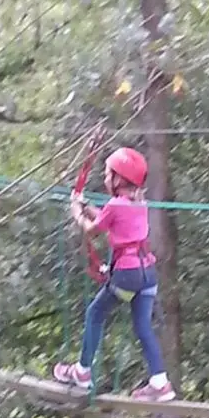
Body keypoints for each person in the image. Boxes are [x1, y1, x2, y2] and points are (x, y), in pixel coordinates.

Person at [53, 146, 176, 402]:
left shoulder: (115, 205)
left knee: (95, 313)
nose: (105, 177)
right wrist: (87, 207)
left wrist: (77, 213)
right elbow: (112, 222)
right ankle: (160, 383)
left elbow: (93, 229)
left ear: (119, 179)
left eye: (109, 174)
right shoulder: (139, 204)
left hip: (128, 276)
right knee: (143, 326)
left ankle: (82, 372)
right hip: (147, 275)